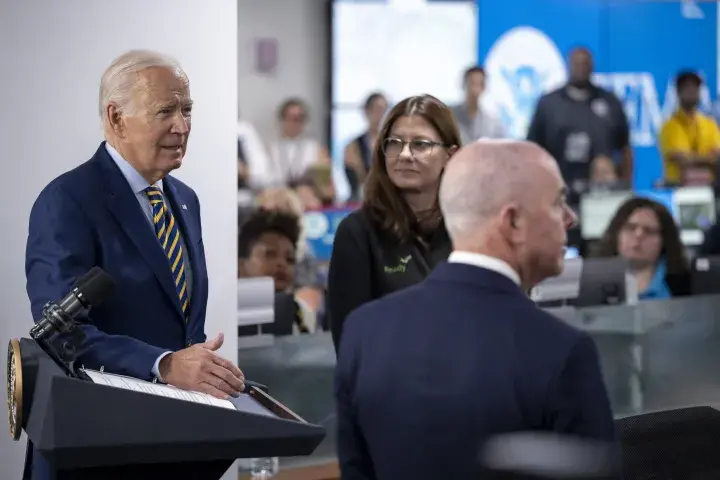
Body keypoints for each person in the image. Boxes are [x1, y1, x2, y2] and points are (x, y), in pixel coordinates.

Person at [335, 140, 615, 480]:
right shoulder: (561, 350)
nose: (570, 218)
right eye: (558, 203)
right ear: (512, 222)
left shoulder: (364, 331)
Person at [24, 50, 244, 480]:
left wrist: (208, 373)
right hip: (94, 451)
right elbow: (59, 332)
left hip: (169, 446)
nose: (182, 126)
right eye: (166, 111)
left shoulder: (184, 199)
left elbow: (181, 328)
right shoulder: (67, 200)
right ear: (116, 117)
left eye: (187, 110)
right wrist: (164, 364)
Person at [327, 94, 460, 352]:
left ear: (450, 155)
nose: (405, 154)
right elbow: (349, 343)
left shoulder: (469, 229)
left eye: (421, 144)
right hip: (389, 386)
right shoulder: (358, 233)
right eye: (395, 143)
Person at [527, 47, 632, 193]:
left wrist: (625, 186)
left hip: (602, 192)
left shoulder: (610, 102)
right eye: (577, 63)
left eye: (585, 63)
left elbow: (625, 149)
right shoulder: (549, 104)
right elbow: (533, 150)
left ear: (592, 66)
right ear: (568, 65)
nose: (581, 68)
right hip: (559, 189)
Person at [593, 197, 691, 299]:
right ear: (616, 233)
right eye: (630, 227)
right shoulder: (591, 279)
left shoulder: (684, 283)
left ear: (664, 240)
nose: (638, 235)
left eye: (649, 231)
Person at [237, 208, 313, 334]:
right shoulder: (224, 314)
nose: (282, 264)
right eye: (269, 254)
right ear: (241, 264)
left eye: (289, 259)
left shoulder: (302, 314)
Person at [658, 71, 720, 186]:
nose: (691, 91)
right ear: (678, 92)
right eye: (687, 87)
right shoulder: (669, 126)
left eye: (695, 87)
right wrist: (708, 159)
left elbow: (717, 156)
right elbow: (682, 161)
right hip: (678, 187)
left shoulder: (710, 124)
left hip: (710, 186)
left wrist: (693, 158)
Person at [344, 92, 388, 200]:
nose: (379, 114)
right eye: (376, 109)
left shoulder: (390, 142)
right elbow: (357, 177)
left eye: (383, 109)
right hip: (363, 193)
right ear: (367, 110)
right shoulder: (353, 145)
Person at [451, 65, 506, 145]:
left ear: (484, 88)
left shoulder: (492, 123)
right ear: (464, 85)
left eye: (480, 84)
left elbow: (501, 148)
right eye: (472, 83)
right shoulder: (450, 116)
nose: (475, 90)